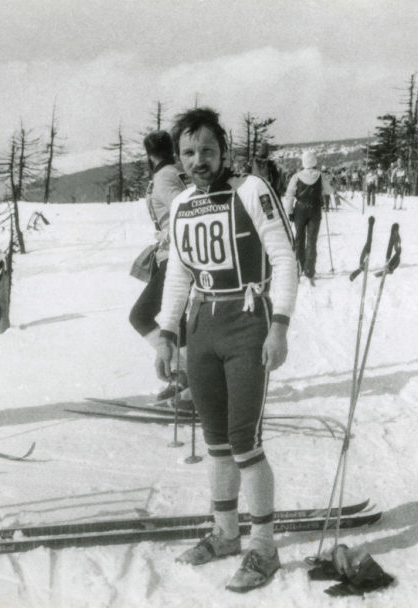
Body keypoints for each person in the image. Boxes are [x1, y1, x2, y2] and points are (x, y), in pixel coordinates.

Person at [153, 107, 297, 593]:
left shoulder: (251, 190)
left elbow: (284, 258)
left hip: (246, 321)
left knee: (243, 439)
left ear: (224, 151)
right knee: (215, 438)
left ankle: (263, 547)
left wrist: (279, 327)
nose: (199, 160)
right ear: (178, 158)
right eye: (189, 152)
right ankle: (225, 533)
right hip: (203, 324)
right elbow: (178, 272)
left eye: (208, 151)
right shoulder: (180, 205)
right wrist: (168, 331)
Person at [128, 131, 188, 400]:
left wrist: (168, 234)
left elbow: (184, 208)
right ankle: (185, 378)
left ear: (150, 155)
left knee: (140, 315)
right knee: (180, 319)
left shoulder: (164, 177)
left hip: (176, 255)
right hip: (176, 254)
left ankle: (183, 375)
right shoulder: (173, 172)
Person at [283, 150, 333, 282]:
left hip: (300, 209)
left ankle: (299, 267)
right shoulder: (320, 176)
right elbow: (329, 190)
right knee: (312, 240)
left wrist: (289, 211)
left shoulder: (297, 176)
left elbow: (289, 195)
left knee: (299, 238)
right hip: (315, 209)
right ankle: (310, 270)